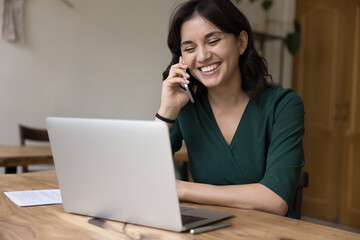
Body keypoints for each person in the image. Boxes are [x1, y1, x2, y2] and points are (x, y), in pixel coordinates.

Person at [155, 0, 304, 219]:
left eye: (213, 41)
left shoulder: (284, 105)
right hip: (209, 229)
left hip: (271, 232)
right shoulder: (186, 106)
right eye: (189, 48)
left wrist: (184, 189)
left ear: (241, 42)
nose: (203, 56)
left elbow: (275, 199)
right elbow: (141, 174)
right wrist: (166, 111)